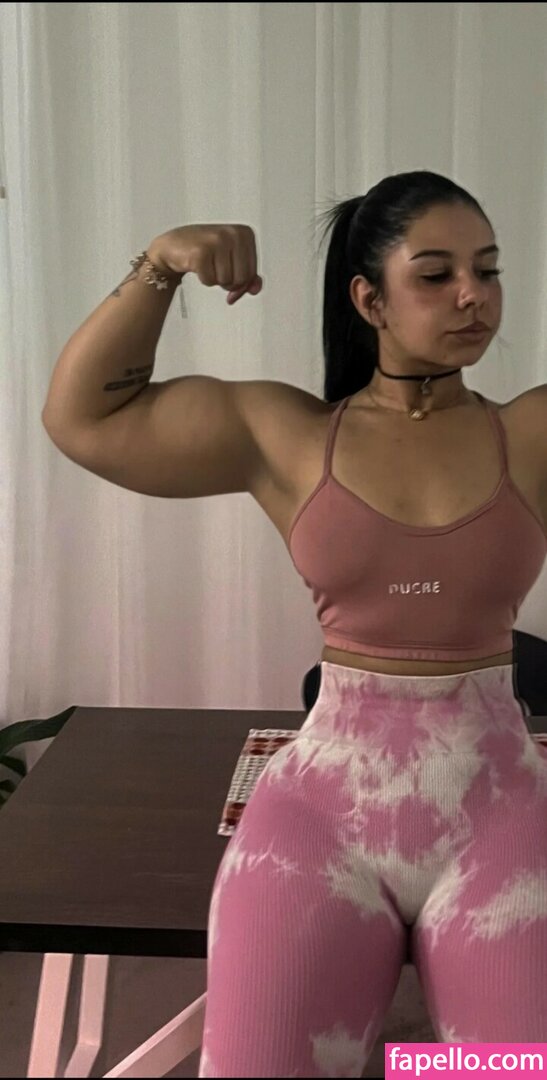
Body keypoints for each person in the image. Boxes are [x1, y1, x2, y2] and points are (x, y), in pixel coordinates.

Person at [42, 170, 547, 1076]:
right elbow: (83, 418)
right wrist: (158, 265)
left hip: (502, 814)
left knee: (506, 1070)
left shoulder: (532, 433)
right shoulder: (288, 434)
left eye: (488, 269)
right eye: (436, 274)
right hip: (323, 818)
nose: (473, 294)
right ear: (369, 300)